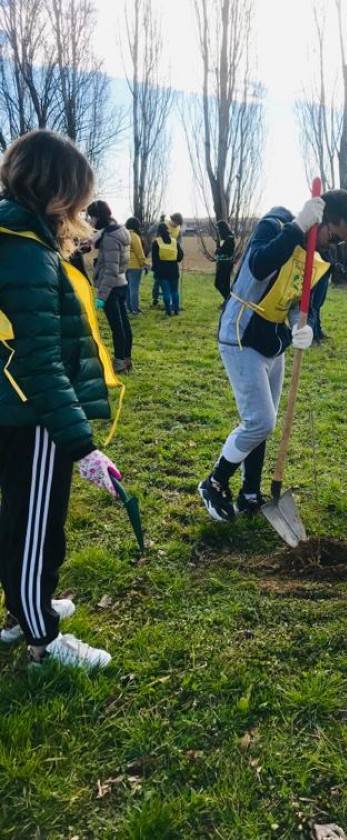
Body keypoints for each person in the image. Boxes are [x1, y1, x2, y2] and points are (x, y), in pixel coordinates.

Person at [0, 130, 122, 669]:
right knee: (36, 527)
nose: (81, 208)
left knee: (19, 520)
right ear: (57, 191)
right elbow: (41, 362)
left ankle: (22, 611)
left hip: (19, 409)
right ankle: (42, 641)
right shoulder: (27, 252)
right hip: (34, 418)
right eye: (78, 195)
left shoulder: (20, 239)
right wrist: (82, 446)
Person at [198, 189, 347, 520]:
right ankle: (214, 483)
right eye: (334, 237)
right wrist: (297, 228)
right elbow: (259, 266)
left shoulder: (319, 259)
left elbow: (307, 305)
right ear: (320, 220)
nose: (334, 246)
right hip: (241, 335)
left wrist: (304, 328)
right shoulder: (275, 226)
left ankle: (248, 493)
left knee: (262, 424)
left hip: (274, 342)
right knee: (260, 420)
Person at [87, 200, 132, 373]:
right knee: (125, 325)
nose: (91, 221)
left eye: (92, 217)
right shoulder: (119, 230)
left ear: (98, 217)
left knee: (117, 328)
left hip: (112, 288)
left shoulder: (110, 239)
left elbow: (111, 271)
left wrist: (101, 297)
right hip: (122, 284)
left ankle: (119, 362)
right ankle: (127, 359)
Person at [151, 222, 184, 316]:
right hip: (174, 269)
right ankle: (176, 310)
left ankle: (168, 310)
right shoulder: (174, 242)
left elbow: (154, 259)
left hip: (162, 271)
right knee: (174, 291)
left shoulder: (156, 242)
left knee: (166, 291)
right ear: (168, 230)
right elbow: (180, 256)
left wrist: (155, 270)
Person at [125, 216, 147, 314]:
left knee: (126, 289)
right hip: (135, 266)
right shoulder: (134, 236)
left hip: (123, 266)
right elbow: (139, 252)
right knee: (134, 289)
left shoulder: (123, 235)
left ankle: (127, 308)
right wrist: (144, 264)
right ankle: (135, 309)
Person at [214, 219, 236, 301]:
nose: (218, 231)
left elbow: (225, 251)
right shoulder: (224, 238)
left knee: (218, 284)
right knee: (225, 285)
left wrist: (218, 251)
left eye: (218, 229)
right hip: (222, 263)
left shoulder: (230, 238)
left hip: (226, 264)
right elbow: (220, 249)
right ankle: (227, 301)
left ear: (222, 228)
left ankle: (228, 300)